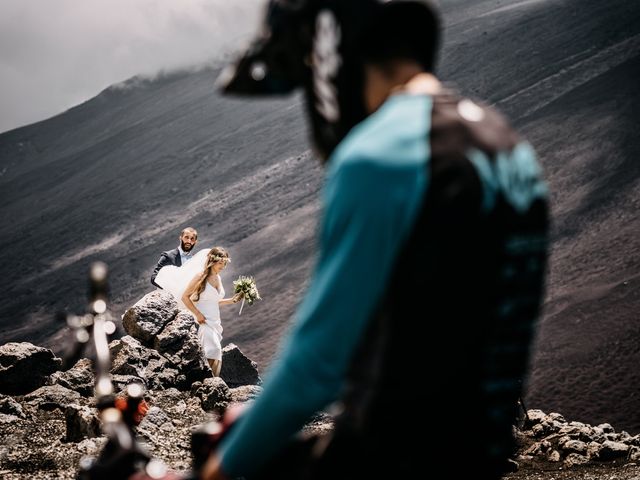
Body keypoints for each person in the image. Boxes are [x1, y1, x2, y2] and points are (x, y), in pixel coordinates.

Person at [202, 1, 549, 479]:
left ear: (333, 51)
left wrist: (220, 469)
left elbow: (319, 365)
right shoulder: (509, 146)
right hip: (479, 456)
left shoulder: (379, 155)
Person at [155, 247, 242, 376]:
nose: (223, 267)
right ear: (212, 261)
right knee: (214, 350)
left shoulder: (218, 278)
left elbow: (213, 301)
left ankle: (213, 382)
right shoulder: (200, 276)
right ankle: (210, 382)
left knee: (215, 354)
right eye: (220, 263)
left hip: (215, 321)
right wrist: (197, 314)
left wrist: (232, 300)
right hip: (203, 320)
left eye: (224, 264)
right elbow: (185, 297)